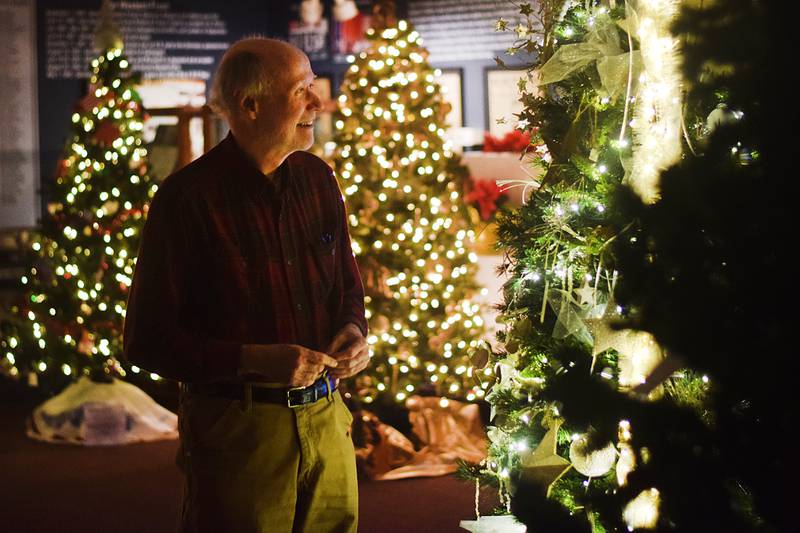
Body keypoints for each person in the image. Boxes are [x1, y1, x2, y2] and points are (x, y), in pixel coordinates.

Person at [123, 38, 369, 533]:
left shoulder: (320, 179)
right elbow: (145, 341)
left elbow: (347, 285)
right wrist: (253, 360)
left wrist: (353, 330)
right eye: (302, 91)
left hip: (328, 419)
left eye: (314, 89)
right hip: (239, 431)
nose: (317, 104)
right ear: (250, 105)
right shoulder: (187, 199)